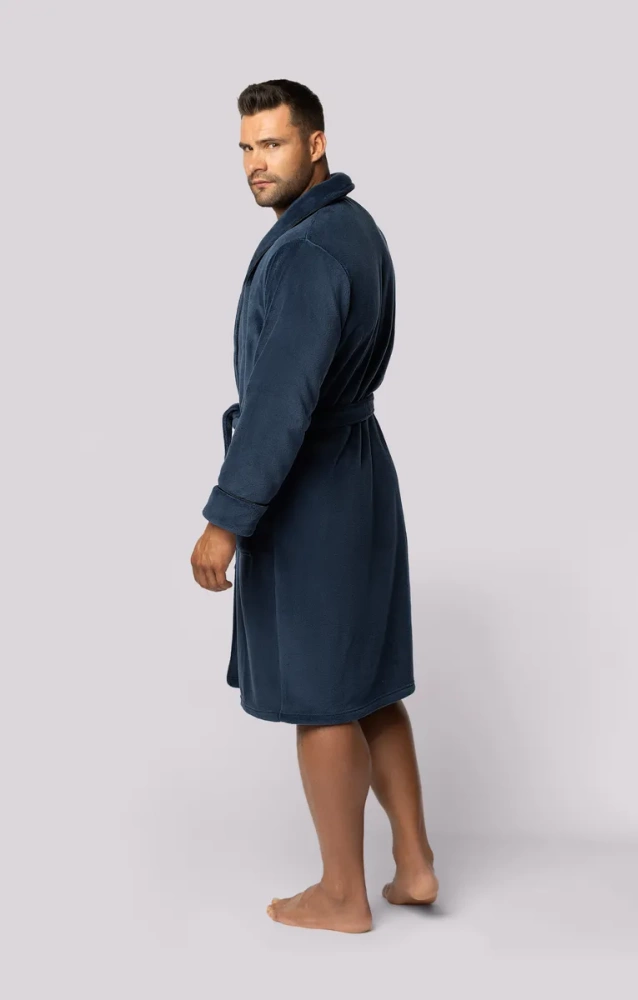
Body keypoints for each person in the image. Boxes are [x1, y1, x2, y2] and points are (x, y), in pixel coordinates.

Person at [190, 79, 437, 933]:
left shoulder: (306, 252)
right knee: (368, 684)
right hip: (360, 474)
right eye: (246, 148)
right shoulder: (353, 228)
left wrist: (226, 518)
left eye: (273, 144)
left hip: (312, 485)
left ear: (316, 143)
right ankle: (414, 865)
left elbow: (278, 404)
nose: (255, 164)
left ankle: (341, 893)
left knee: (321, 693)